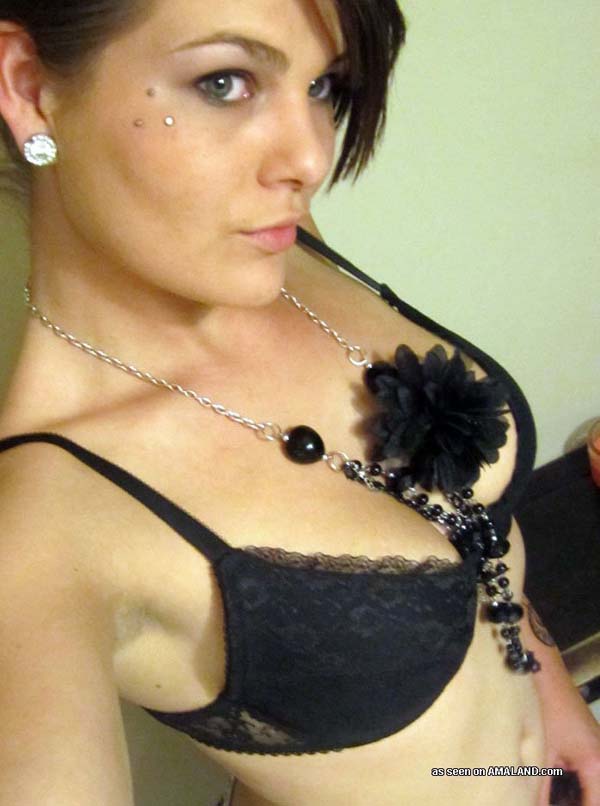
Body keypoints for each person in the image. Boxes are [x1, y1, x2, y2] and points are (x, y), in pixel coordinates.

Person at [0, 1, 598, 804]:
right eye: (225, 82)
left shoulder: (277, 243)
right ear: (27, 85)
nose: (311, 157)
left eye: (322, 86)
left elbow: (464, 527)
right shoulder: (43, 527)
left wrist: (549, 687)